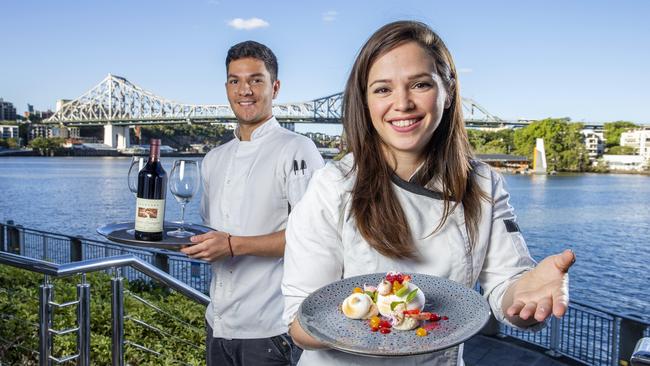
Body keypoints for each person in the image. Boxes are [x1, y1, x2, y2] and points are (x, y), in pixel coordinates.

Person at [281, 21, 575, 365]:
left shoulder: (482, 183)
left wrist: (526, 299)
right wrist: (367, 312)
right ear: (364, 102)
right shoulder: (332, 185)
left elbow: (507, 290)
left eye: (420, 84)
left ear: (448, 92)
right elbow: (299, 325)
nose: (402, 103)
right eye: (382, 89)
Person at [181, 40, 324, 366]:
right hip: (216, 324)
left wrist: (231, 245)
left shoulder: (299, 150)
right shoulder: (213, 159)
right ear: (227, 87)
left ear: (275, 87)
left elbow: (313, 240)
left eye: (256, 80)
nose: (245, 90)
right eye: (235, 80)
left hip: (271, 331)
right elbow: (209, 233)